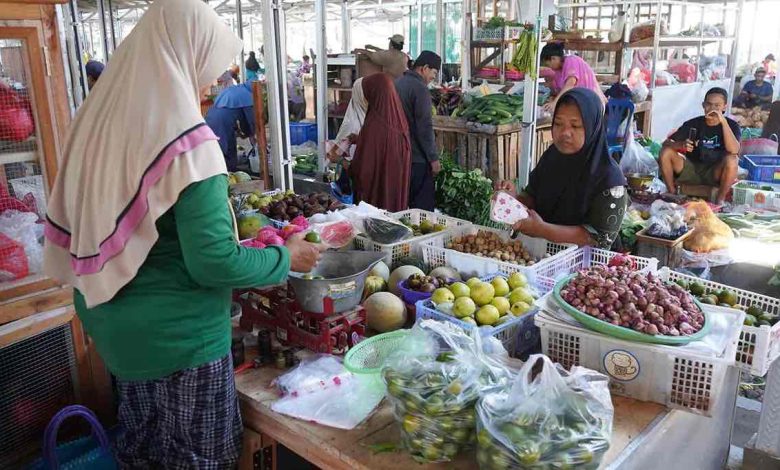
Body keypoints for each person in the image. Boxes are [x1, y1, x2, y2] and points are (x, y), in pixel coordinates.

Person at [42, 0, 322, 467]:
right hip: (177, 342)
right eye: (208, 64)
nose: (212, 79)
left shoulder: (98, 122)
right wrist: (285, 258)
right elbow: (214, 262)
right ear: (183, 52)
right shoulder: (185, 145)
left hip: (116, 329)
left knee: (145, 454)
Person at [495, 88, 627, 249]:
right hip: (541, 255)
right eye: (558, 124)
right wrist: (512, 199)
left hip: (588, 267)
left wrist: (543, 230)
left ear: (593, 127)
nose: (565, 133)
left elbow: (598, 238)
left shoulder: (610, 179)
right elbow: (532, 197)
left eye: (575, 126)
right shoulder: (552, 157)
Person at [330, 73, 411, 211]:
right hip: (394, 194)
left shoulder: (374, 125)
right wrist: (360, 139)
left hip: (375, 204)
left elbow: (363, 170)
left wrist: (340, 161)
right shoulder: (399, 121)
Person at [658, 87, 740, 204]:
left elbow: (734, 150)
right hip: (691, 169)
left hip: (715, 172)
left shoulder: (732, 125)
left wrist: (723, 122)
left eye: (717, 106)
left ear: (724, 107)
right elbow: (666, 143)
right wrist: (681, 144)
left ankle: (719, 200)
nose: (712, 109)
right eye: (709, 104)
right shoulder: (693, 123)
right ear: (703, 105)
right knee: (666, 152)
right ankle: (673, 194)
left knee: (732, 160)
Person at [395, 51, 441, 211]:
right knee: (422, 209)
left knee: (403, 205)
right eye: (433, 73)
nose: (432, 78)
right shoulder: (420, 88)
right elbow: (424, 127)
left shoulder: (398, 83)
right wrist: (433, 158)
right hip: (417, 158)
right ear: (425, 68)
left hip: (400, 156)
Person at [540, 42, 607, 111]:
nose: (549, 67)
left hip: (593, 104)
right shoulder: (558, 71)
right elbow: (560, 92)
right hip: (581, 105)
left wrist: (555, 102)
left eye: (548, 65)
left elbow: (570, 84)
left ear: (553, 58)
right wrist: (552, 98)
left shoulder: (571, 60)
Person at [205, 82, 256, 171]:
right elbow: (250, 120)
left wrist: (241, 131)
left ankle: (224, 170)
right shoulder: (247, 96)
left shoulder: (233, 89)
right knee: (225, 148)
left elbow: (231, 111)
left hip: (210, 117)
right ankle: (227, 172)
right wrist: (251, 134)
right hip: (222, 122)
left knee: (219, 146)